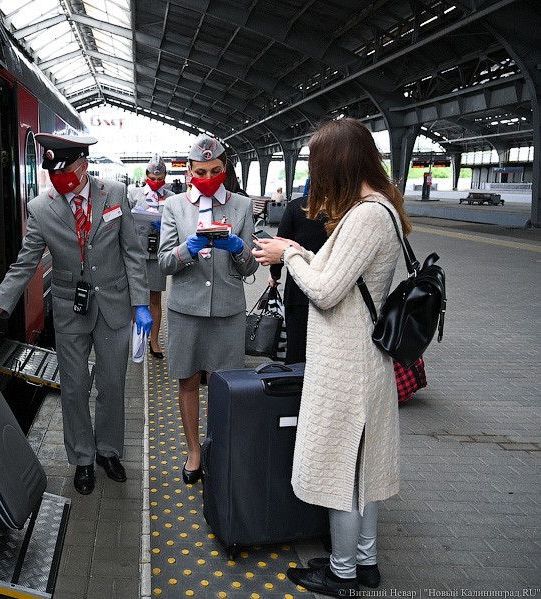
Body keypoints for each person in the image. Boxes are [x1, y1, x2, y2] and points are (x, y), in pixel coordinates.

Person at [252, 118, 409, 596]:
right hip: (362, 361)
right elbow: (334, 268)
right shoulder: (375, 209)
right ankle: (364, 562)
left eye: (319, 164)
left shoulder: (366, 215)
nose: (315, 175)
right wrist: (294, 247)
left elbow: (324, 289)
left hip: (349, 367)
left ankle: (342, 573)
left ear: (338, 163)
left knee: (344, 469)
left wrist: (289, 258)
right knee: (364, 468)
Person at [0, 133, 152, 495]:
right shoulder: (41, 208)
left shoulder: (116, 193)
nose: (59, 181)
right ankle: (82, 458)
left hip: (113, 304)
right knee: (75, 388)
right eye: (53, 175)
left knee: (112, 385)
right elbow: (23, 265)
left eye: (66, 173)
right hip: (69, 309)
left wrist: (141, 304)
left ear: (84, 166)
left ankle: (109, 451)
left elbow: (133, 253)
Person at [158, 134, 258, 485]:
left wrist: (237, 247)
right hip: (186, 310)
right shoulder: (174, 207)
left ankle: (219, 445)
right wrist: (189, 247)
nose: (207, 176)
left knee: (224, 385)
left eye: (215, 170)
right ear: (189, 171)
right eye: (200, 171)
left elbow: (251, 268)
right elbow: (165, 262)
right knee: (187, 381)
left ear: (225, 168)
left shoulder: (242, 207)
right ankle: (194, 451)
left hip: (228, 310)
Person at [267, 188, 328, 364]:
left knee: (297, 347)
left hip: (299, 287)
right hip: (332, 285)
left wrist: (275, 275)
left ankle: (295, 386)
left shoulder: (296, 206)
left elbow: (281, 244)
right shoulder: (344, 208)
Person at [128, 154, 173, 359]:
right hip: (137, 252)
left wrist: (164, 226)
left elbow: (176, 225)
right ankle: (136, 339)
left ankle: (154, 341)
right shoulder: (134, 194)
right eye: (152, 178)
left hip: (157, 254)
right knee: (136, 298)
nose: (156, 182)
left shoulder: (171, 198)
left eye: (160, 178)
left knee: (155, 298)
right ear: (146, 175)